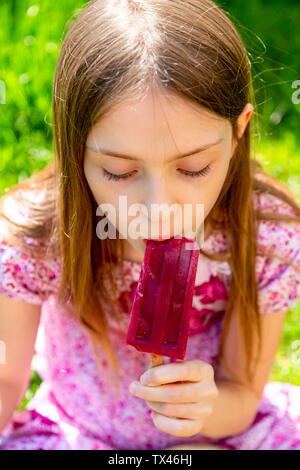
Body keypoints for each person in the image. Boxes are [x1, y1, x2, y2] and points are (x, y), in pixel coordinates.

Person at [0, 0, 300, 451]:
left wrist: (205, 407)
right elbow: (6, 381)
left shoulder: (264, 237)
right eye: (120, 173)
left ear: (240, 130)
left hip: (218, 439)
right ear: (74, 145)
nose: (159, 207)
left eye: (194, 167)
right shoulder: (37, 235)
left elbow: (240, 394)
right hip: (79, 437)